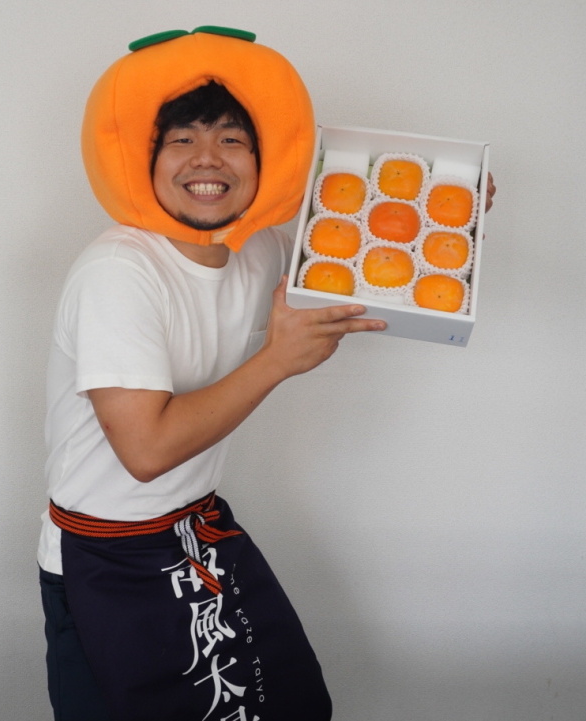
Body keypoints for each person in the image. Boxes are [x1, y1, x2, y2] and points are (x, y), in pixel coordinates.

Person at [38, 27, 494, 721]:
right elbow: (145, 450)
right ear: (145, 159)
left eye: (232, 138)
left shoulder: (260, 252)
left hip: (195, 530)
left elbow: (361, 251)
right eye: (182, 139)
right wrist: (275, 360)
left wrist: (449, 210)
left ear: (262, 160)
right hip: (102, 554)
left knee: (288, 705)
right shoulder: (119, 272)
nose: (207, 158)